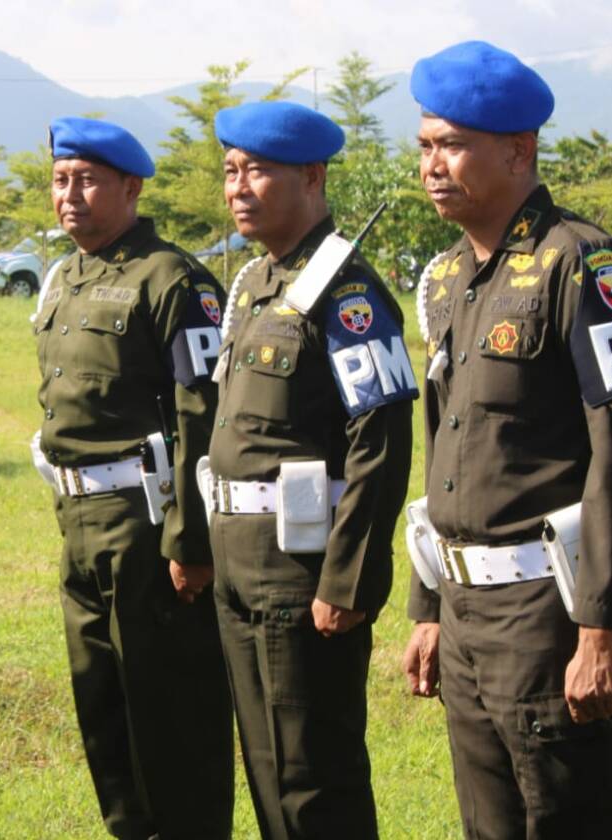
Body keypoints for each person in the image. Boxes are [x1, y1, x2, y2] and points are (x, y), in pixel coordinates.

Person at [401, 41, 612, 839]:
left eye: (453, 145)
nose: (432, 165)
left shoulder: (586, 265)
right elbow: (444, 455)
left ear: (518, 150)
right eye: (424, 146)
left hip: (549, 618)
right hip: (468, 615)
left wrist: (602, 630)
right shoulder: (450, 277)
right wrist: (427, 606)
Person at [205, 101, 415, 839]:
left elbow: (381, 438)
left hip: (301, 575)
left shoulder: (345, 292)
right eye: (231, 171)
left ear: (313, 176)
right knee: (267, 768)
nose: (238, 186)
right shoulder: (259, 284)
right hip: (239, 565)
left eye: (258, 170)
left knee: (313, 775)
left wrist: (347, 578)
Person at [32, 116, 234, 839]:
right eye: (60, 181)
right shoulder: (64, 277)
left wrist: (191, 537)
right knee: (104, 709)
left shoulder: (171, 278)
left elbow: (202, 416)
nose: (70, 196)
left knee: (170, 712)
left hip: (147, 522)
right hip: (77, 521)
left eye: (87, 180)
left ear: (130, 187)